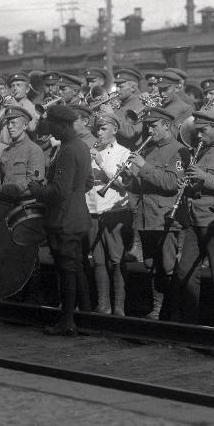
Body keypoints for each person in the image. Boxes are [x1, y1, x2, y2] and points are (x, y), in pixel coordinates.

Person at [27, 105, 93, 336]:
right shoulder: (82, 146)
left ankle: (67, 321)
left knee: (66, 270)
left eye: (53, 125)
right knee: (77, 268)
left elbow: (60, 191)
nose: (50, 129)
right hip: (78, 216)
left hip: (63, 219)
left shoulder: (67, 150)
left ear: (63, 125)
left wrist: (37, 190)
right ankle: (85, 317)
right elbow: (88, 183)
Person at [173, 108, 214, 328]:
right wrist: (187, 186)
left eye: (203, 131)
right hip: (194, 219)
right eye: (198, 131)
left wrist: (204, 177)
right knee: (185, 270)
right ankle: (190, 320)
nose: (199, 136)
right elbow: (196, 186)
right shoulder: (199, 151)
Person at [124, 107, 187, 320]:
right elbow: (139, 185)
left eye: (154, 126)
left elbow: (171, 183)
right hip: (145, 216)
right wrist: (128, 176)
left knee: (168, 266)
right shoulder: (148, 148)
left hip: (164, 217)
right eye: (148, 126)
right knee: (150, 264)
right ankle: (158, 308)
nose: (149, 131)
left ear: (167, 125)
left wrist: (143, 167)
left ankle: (172, 311)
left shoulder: (179, 150)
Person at [86, 114, 132, 315]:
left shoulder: (124, 152)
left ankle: (119, 308)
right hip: (92, 210)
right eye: (98, 129)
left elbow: (124, 183)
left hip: (114, 211)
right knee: (98, 261)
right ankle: (104, 306)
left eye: (104, 128)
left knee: (116, 259)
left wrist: (101, 162)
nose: (99, 132)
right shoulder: (92, 151)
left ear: (115, 129)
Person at [0, 106, 46, 199]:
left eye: (13, 123)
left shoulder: (34, 150)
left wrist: (10, 190)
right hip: (5, 202)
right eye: (8, 123)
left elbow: (35, 179)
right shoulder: (6, 151)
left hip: (25, 205)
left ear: (25, 126)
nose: (9, 127)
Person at [112, 68, 145, 151]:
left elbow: (131, 133)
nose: (117, 90)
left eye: (121, 87)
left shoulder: (141, 106)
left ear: (133, 88)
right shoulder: (119, 103)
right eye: (116, 86)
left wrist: (111, 115)